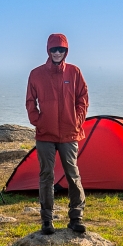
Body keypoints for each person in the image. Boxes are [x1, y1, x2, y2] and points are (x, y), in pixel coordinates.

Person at [25, 33, 89, 234]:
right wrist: (38, 121)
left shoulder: (74, 72)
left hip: (70, 134)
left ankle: (76, 217)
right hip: (45, 134)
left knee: (72, 174)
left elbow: (83, 99)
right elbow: (30, 101)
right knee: (46, 176)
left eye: (61, 49)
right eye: (54, 49)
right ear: (48, 50)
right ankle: (47, 221)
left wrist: (77, 121)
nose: (57, 53)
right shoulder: (36, 74)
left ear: (66, 51)